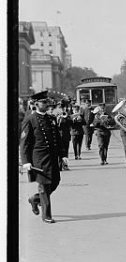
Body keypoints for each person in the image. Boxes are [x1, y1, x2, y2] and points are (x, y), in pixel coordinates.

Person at [20, 91, 68, 224]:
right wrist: (26, 161)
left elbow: (57, 139)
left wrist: (63, 155)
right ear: (36, 104)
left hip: (52, 157)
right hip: (39, 159)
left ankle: (35, 199)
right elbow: (24, 142)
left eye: (47, 102)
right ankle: (46, 215)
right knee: (44, 186)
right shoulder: (30, 119)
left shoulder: (51, 118)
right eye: (43, 102)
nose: (46, 104)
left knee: (55, 181)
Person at [55, 102, 72, 169]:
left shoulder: (67, 116)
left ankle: (65, 165)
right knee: (59, 151)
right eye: (60, 108)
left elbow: (71, 124)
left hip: (66, 136)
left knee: (65, 151)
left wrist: (66, 117)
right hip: (58, 136)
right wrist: (58, 118)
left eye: (62, 108)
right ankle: (59, 165)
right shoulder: (55, 116)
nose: (61, 110)